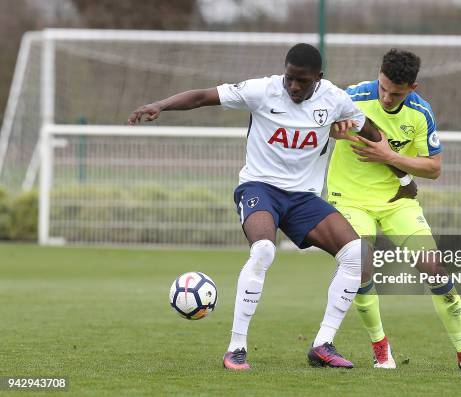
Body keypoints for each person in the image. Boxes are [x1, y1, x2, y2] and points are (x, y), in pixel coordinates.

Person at [128, 43, 365, 370]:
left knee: (356, 254)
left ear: (318, 78)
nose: (294, 86)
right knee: (264, 250)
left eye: (303, 81)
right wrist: (159, 105)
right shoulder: (261, 90)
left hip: (303, 198)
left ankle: (323, 344)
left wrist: (355, 133)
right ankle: (236, 348)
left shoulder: (335, 99)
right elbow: (201, 97)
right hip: (259, 187)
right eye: (290, 78)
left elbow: (371, 132)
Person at [327, 49, 461, 372]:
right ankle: (381, 349)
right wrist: (331, 131)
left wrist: (389, 157)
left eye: (397, 93)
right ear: (378, 75)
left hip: (397, 202)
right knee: (360, 268)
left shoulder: (421, 113)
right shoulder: (351, 97)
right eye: (383, 89)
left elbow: (433, 168)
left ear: (413, 88)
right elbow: (319, 126)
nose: (388, 98)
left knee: (435, 269)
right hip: (348, 199)